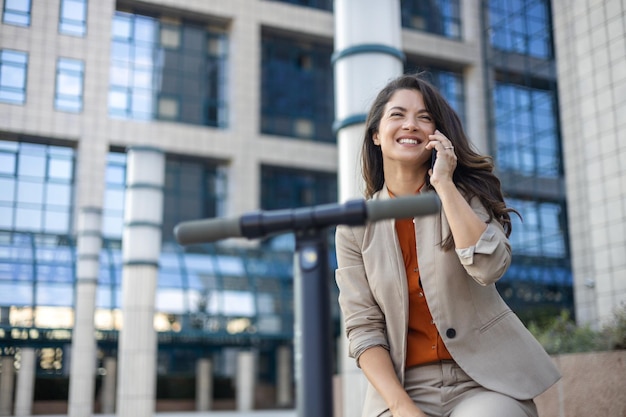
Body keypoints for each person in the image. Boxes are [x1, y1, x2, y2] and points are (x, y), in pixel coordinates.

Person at [334, 73, 560, 417]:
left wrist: (444, 184)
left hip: (484, 380)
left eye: (424, 117)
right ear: (376, 135)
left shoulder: (467, 198)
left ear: (437, 135)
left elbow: (488, 267)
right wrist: (401, 407)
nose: (411, 124)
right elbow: (363, 329)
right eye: (398, 115)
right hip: (405, 388)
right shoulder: (355, 227)